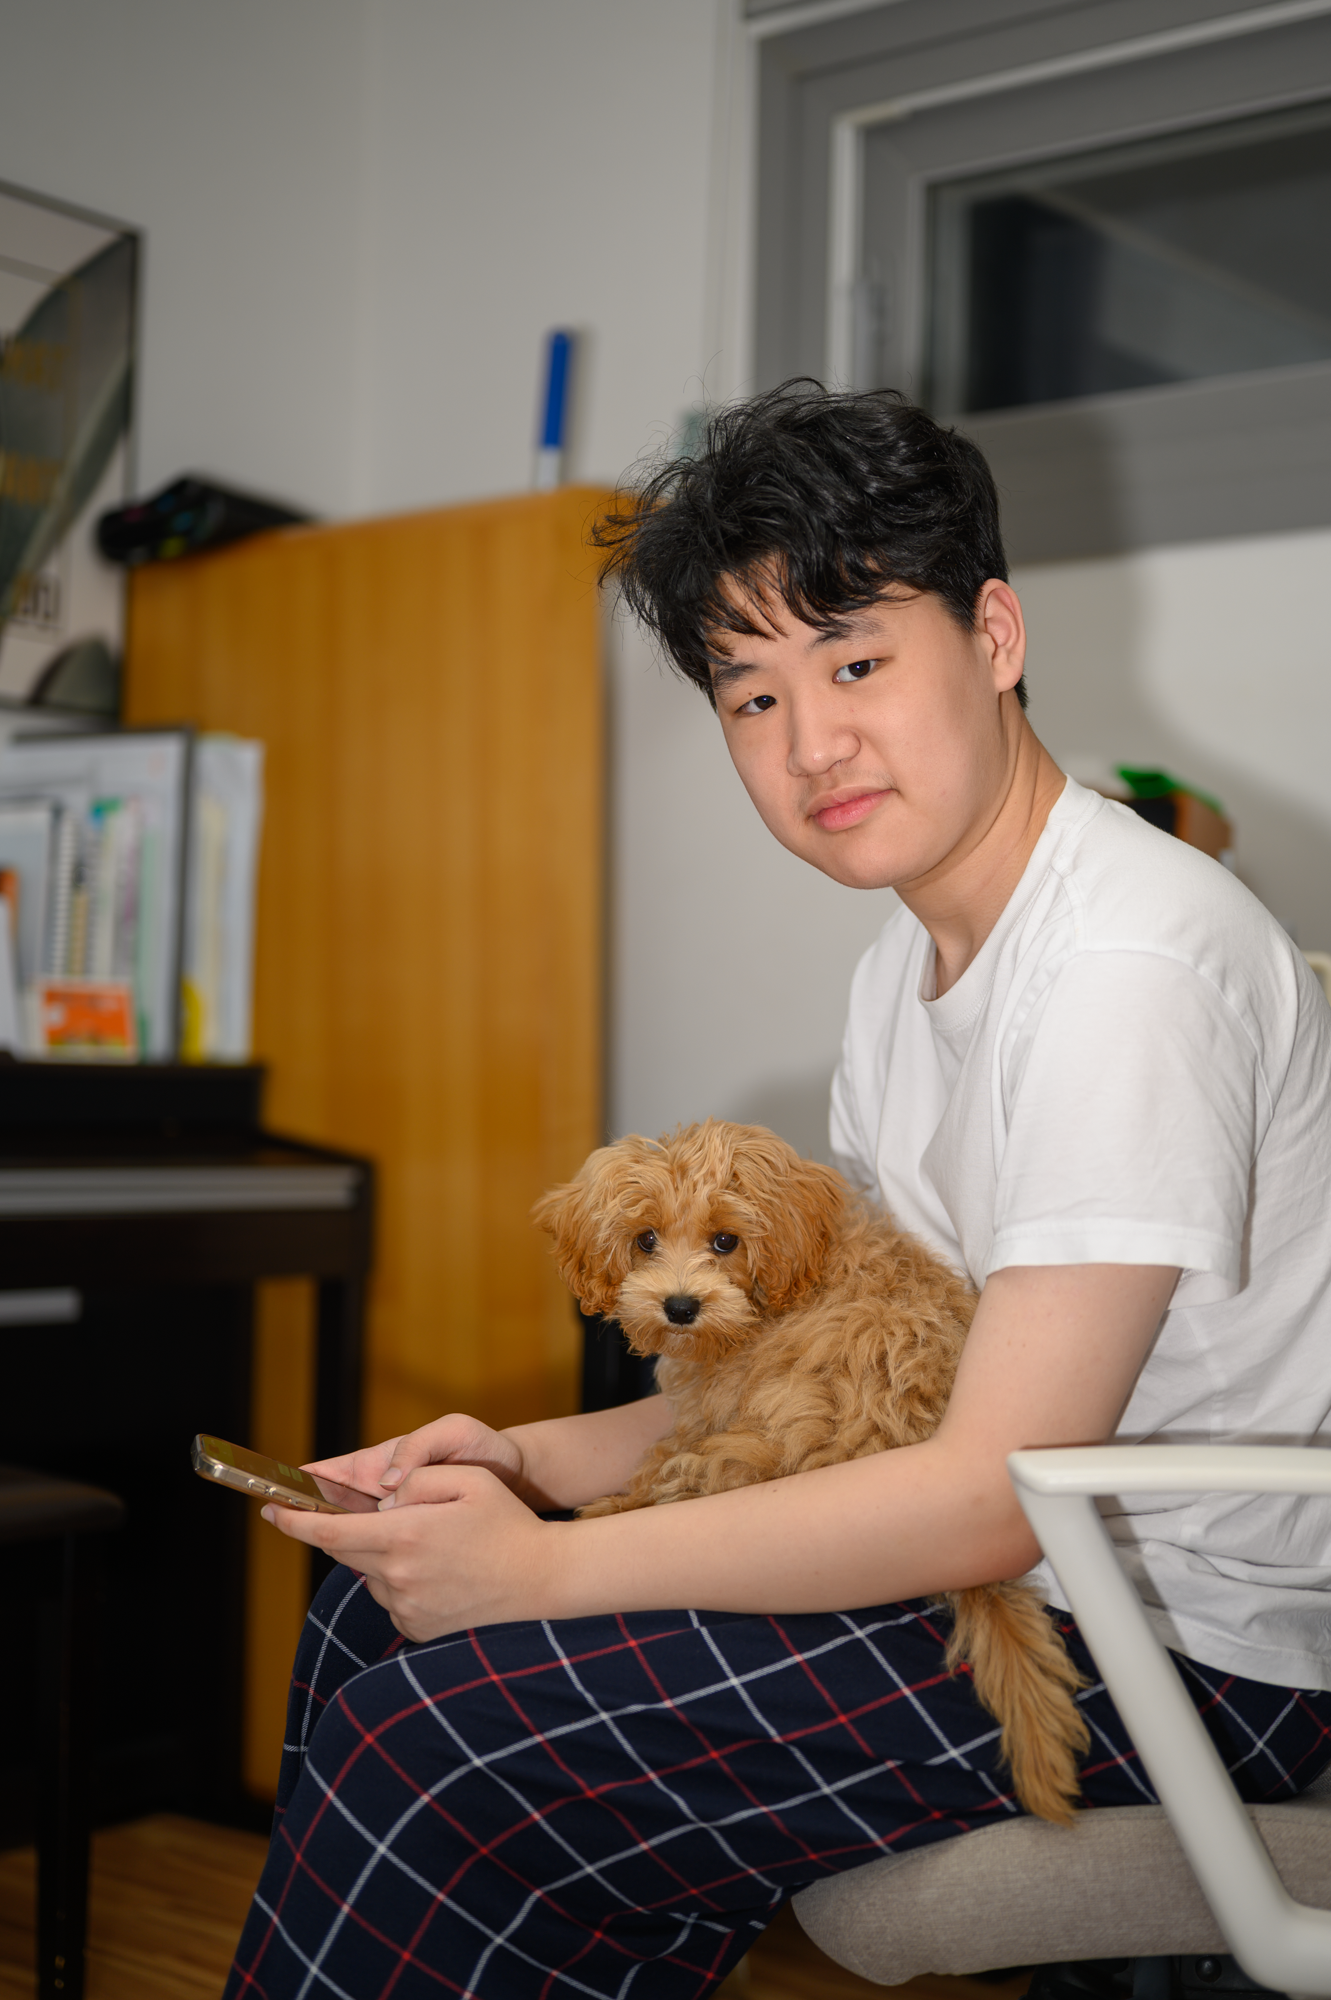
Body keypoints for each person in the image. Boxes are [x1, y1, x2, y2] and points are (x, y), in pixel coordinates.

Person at [224, 385, 1331, 2000]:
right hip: (1023, 1572)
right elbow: (815, 1382)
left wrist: (541, 1569)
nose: (810, 745)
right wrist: (517, 1465)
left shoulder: (1127, 963)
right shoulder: (908, 968)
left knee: (443, 1742)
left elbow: (987, 1493)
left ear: (994, 636)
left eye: (854, 662)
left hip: (1178, 1647)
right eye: (751, 696)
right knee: (373, 1618)